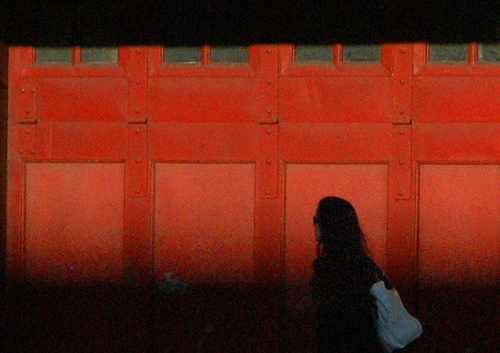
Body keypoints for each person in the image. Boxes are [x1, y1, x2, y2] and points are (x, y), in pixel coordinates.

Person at [310, 196, 384, 353]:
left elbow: (327, 323)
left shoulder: (325, 267)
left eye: (316, 219)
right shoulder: (365, 265)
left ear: (327, 225)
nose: (314, 225)